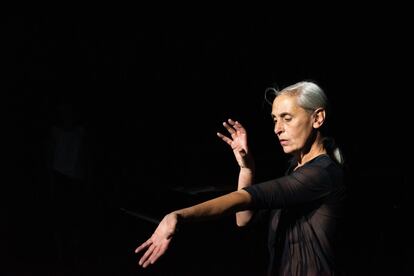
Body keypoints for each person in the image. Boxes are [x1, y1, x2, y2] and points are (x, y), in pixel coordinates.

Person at [134, 80, 346, 275]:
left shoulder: (322, 174)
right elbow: (243, 219)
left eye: (287, 118)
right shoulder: (294, 172)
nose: (277, 129)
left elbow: (247, 198)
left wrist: (179, 215)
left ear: (317, 118)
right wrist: (246, 169)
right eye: (274, 119)